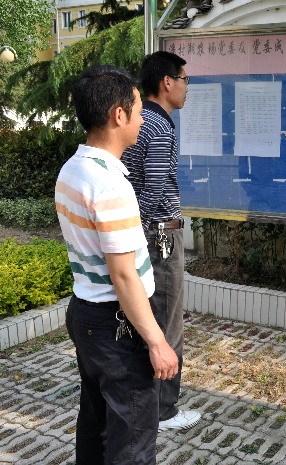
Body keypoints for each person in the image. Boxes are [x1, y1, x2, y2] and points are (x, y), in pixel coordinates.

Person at [55, 65, 179, 464]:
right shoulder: (111, 186)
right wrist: (157, 342)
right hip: (117, 327)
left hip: (86, 314)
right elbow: (124, 275)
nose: (143, 120)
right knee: (132, 440)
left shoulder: (73, 168)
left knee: (97, 424)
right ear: (118, 115)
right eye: (140, 111)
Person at [121, 51, 201, 432]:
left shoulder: (141, 122)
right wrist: (141, 234)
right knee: (167, 323)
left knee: (146, 321)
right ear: (167, 82)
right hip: (160, 237)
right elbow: (152, 191)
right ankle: (163, 410)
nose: (187, 88)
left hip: (145, 235)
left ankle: (143, 400)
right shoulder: (159, 127)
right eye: (184, 80)